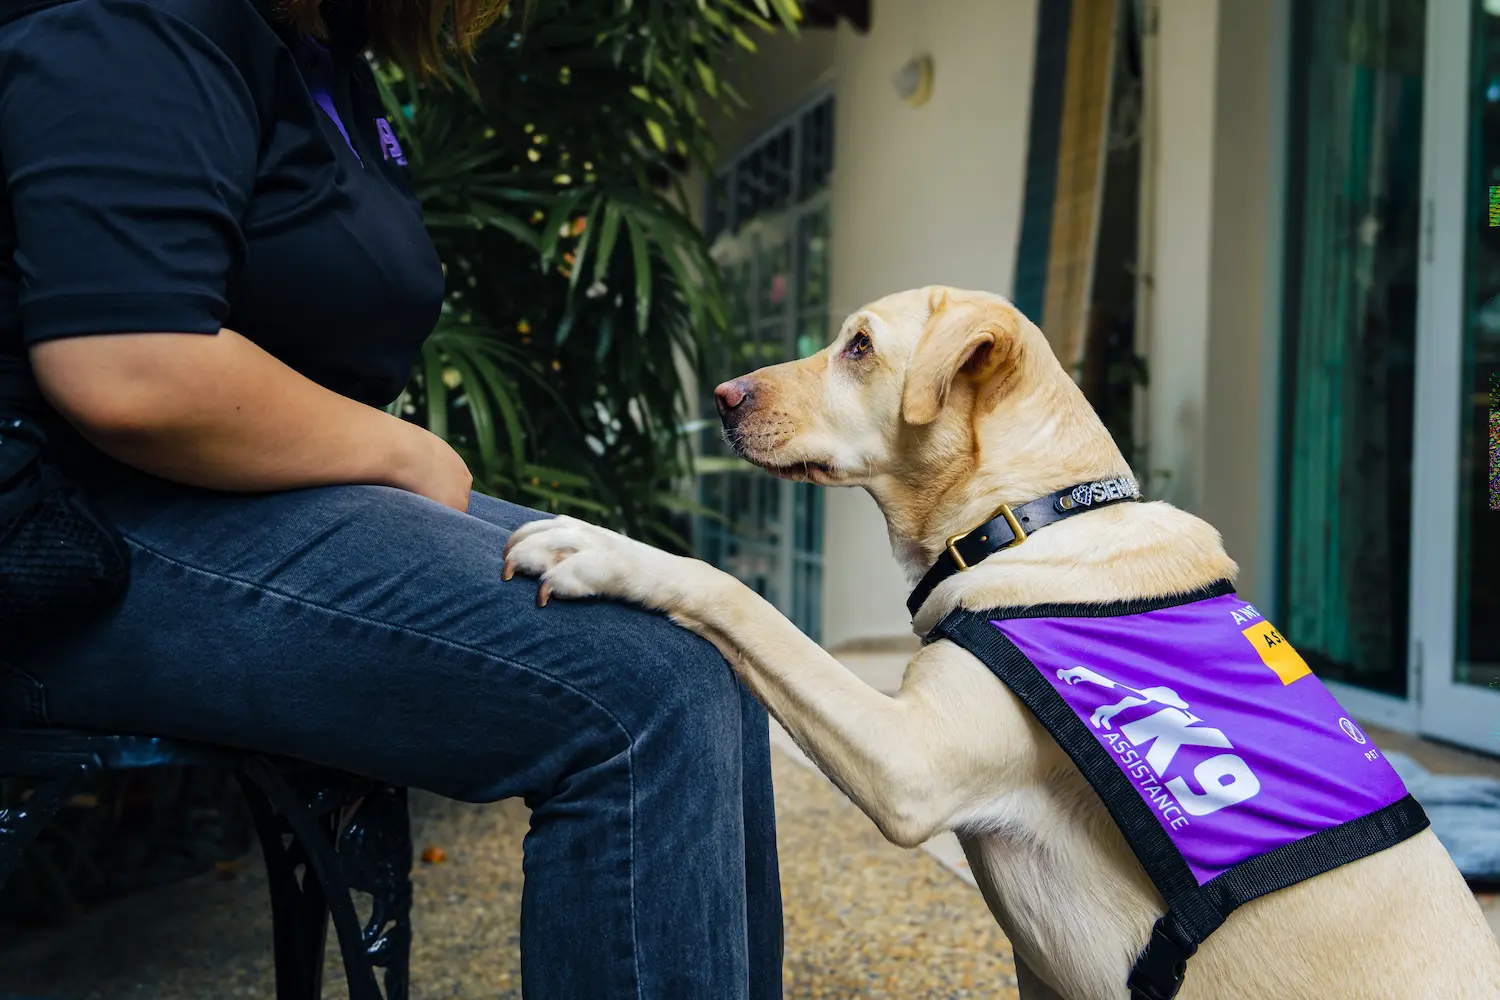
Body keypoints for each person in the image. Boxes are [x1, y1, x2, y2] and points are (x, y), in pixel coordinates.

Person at [0, 0, 783, 995]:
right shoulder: (140, 20)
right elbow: (131, 366)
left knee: (705, 630)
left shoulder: (317, 48)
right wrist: (397, 451)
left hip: (226, 501)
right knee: (644, 682)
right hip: (67, 532)